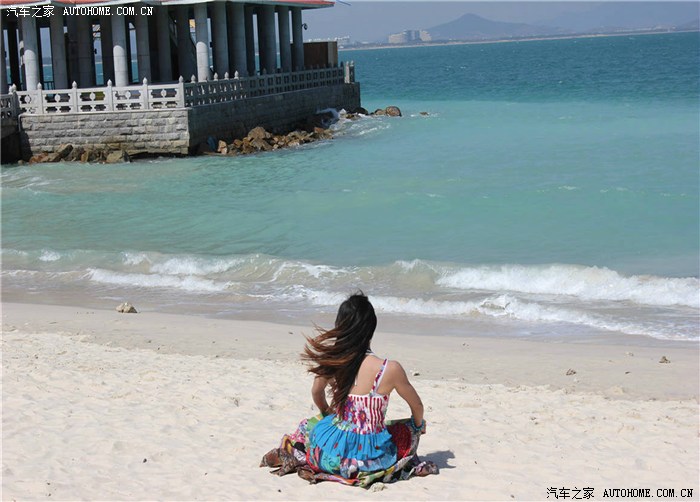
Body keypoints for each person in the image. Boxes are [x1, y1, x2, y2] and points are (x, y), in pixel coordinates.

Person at [260, 292, 438, 487]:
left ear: (340, 327)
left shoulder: (334, 361)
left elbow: (316, 392)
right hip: (372, 461)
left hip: (329, 457)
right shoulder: (389, 369)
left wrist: (327, 412)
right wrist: (417, 427)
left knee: (308, 426)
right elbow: (417, 407)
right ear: (371, 328)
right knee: (409, 429)